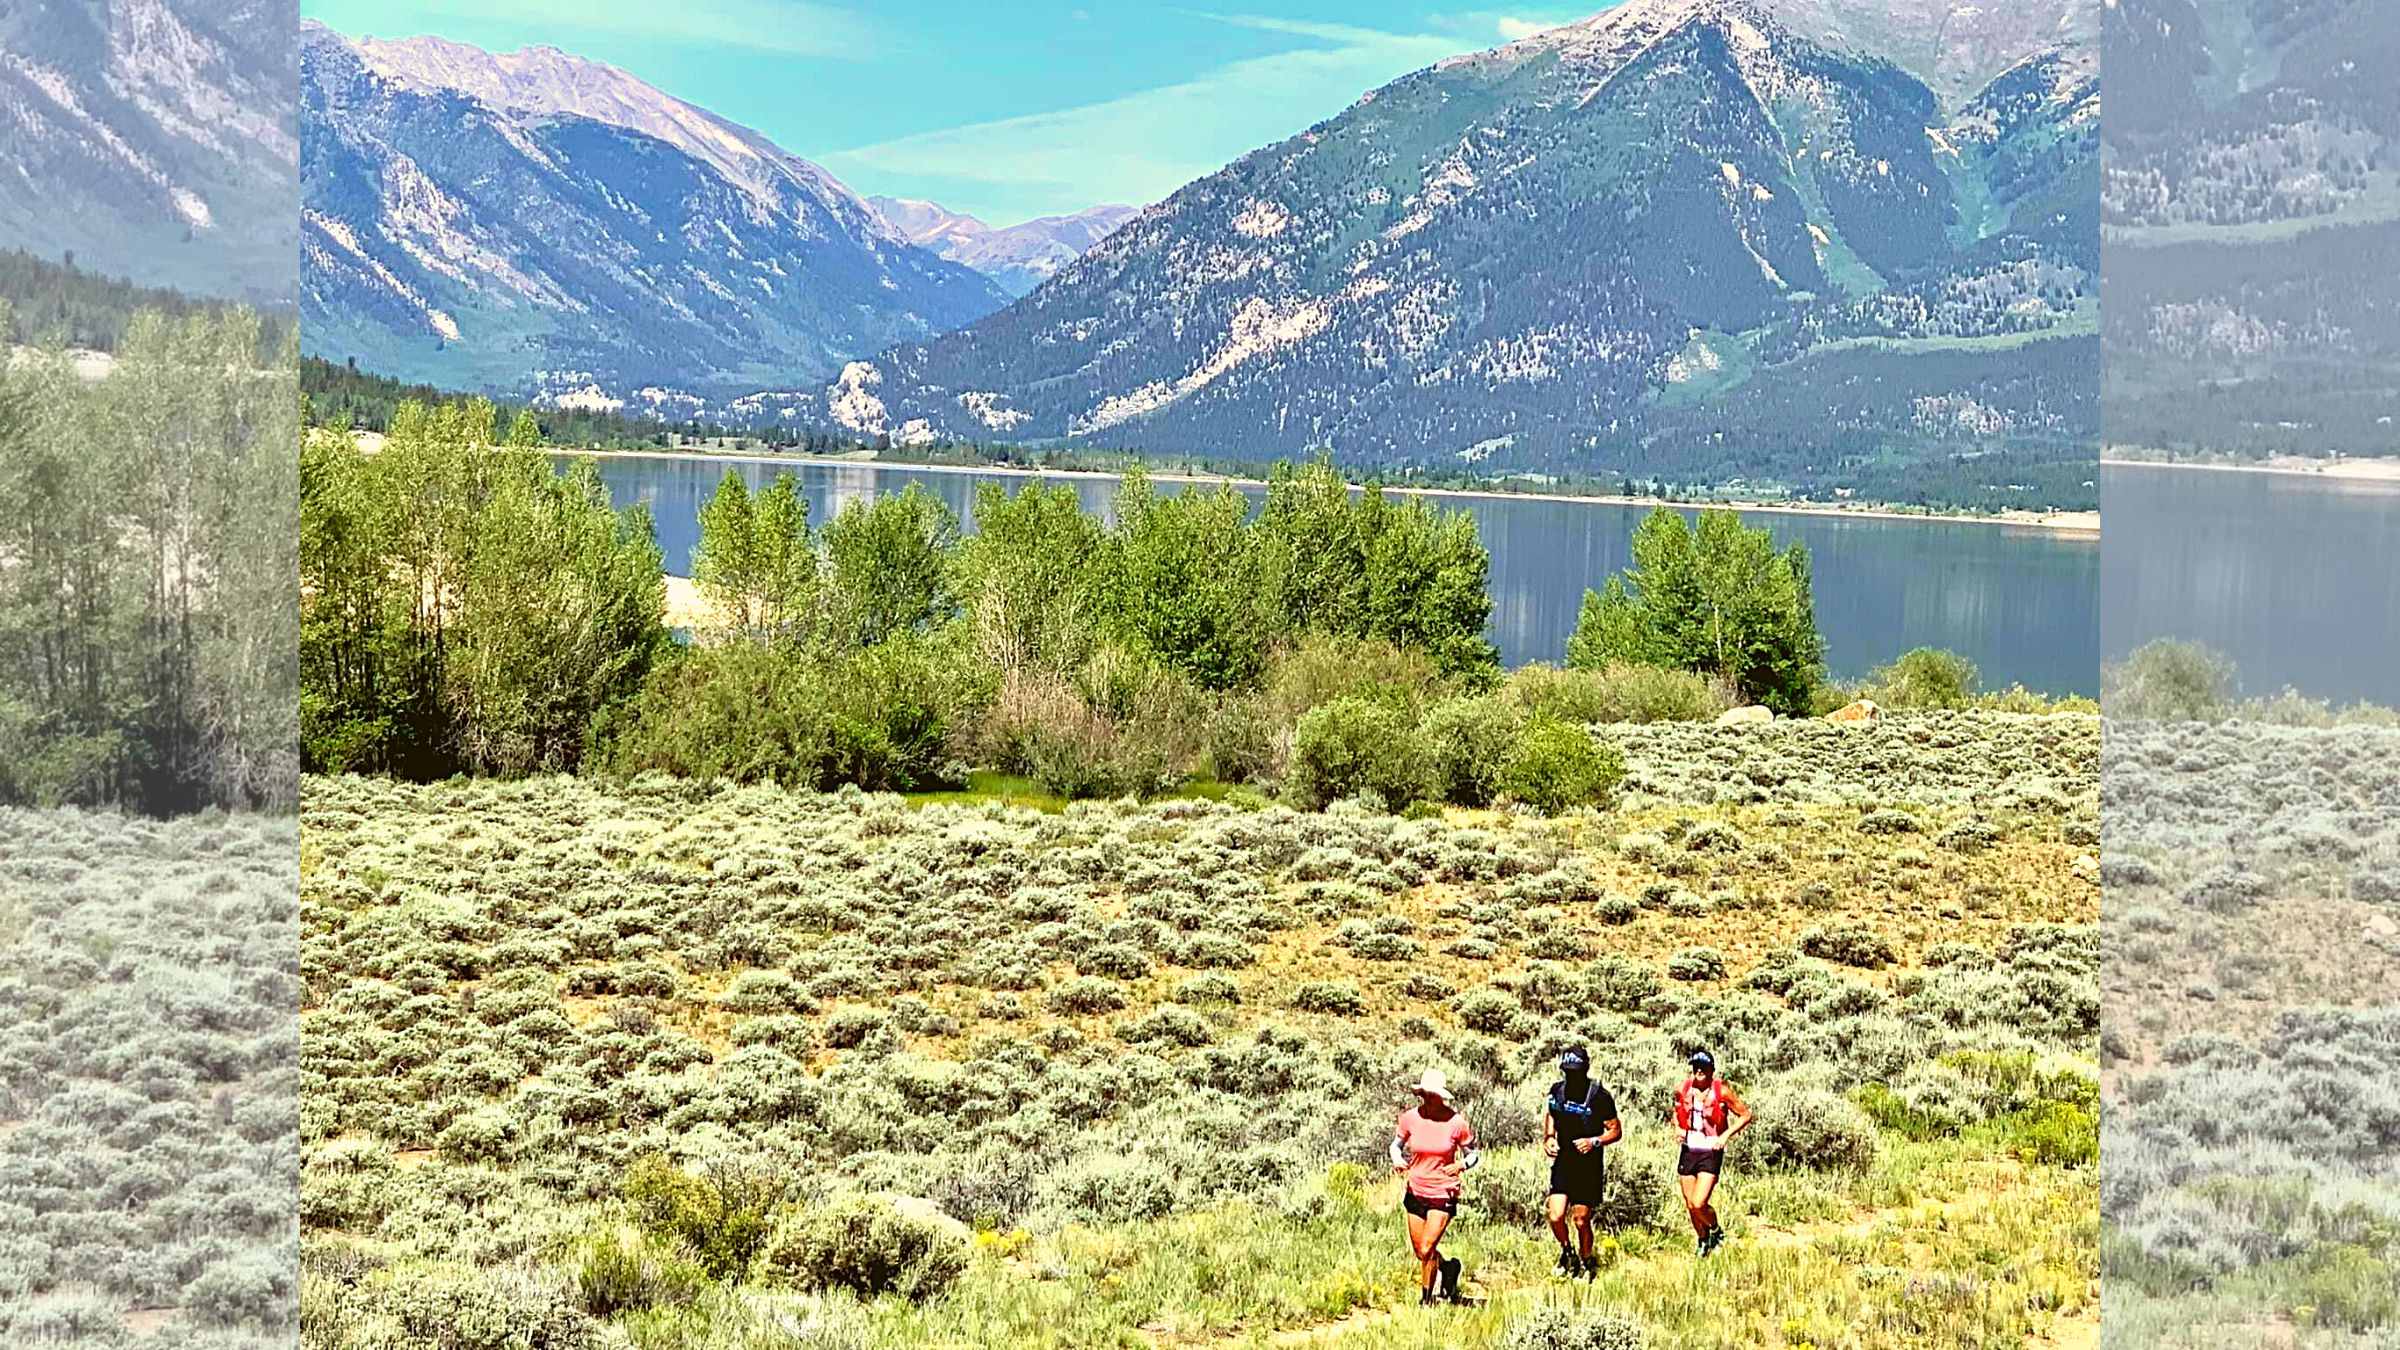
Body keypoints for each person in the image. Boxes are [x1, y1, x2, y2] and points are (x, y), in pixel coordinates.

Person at [1390, 1068, 1480, 1305]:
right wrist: (1397, 1159)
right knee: (1421, 1251)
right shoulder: (1410, 1117)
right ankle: (1448, 1268)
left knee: (1428, 1247)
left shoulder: (1456, 1123)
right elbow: (1396, 1146)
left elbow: (1473, 1155)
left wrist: (1461, 1165)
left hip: (1443, 1190)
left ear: (1441, 1096)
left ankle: (1426, 1300)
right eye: (1425, 1095)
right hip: (1416, 1189)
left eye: (1432, 1095)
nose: (1428, 1099)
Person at [1542, 1046, 1621, 1279]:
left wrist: (1594, 1141)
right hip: (1564, 1162)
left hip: (1588, 1167)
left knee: (1581, 1220)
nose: (1571, 1076)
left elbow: (1615, 1131)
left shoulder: (1599, 1096)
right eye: (1568, 1072)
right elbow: (1551, 1114)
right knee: (1555, 1215)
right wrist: (1548, 1138)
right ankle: (1568, 1252)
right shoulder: (1557, 1091)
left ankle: (1587, 1261)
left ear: (1585, 1069)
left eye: (1576, 1072)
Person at [1673, 1049, 1751, 1256]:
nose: (1699, 1071)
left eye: (1703, 1067)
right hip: (1689, 1149)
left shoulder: (1722, 1092)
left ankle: (1716, 1230)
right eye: (1695, 1067)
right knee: (1690, 1205)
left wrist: (1725, 1136)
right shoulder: (1683, 1089)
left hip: (1710, 1151)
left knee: (1699, 1203)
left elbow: (1745, 1115)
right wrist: (1677, 1128)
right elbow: (1676, 1110)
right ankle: (1703, 1240)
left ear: (1711, 1070)